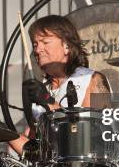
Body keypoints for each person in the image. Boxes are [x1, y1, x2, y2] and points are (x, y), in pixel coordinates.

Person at [9, 15, 111, 154]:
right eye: (35, 44)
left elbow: (96, 136)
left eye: (45, 42)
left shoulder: (93, 79)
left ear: (66, 46)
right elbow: (36, 152)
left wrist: (48, 101)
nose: (38, 50)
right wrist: (3, 132)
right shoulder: (39, 88)